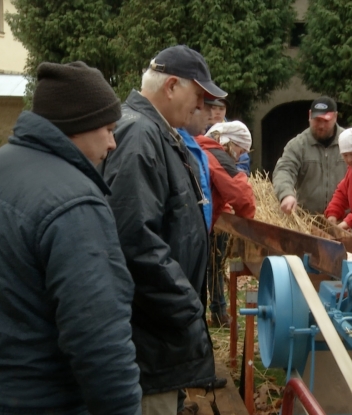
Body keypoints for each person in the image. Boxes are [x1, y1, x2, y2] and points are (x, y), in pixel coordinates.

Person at [0, 62, 142, 415]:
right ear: (77, 126)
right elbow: (99, 338)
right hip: (43, 400)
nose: (112, 143)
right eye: (108, 129)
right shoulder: (75, 203)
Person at [102, 45, 227, 414]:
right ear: (172, 85)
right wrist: (188, 308)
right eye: (199, 95)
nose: (202, 107)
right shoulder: (141, 135)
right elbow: (133, 240)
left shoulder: (159, 132)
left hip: (159, 336)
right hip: (148, 341)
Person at [196, 121, 256, 327]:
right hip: (195, 228)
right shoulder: (216, 153)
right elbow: (242, 194)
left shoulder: (198, 148)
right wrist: (249, 228)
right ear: (230, 143)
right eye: (240, 150)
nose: (239, 156)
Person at [273, 96, 346, 214]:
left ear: (335, 117)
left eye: (326, 121)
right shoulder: (297, 145)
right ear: (310, 115)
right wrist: (286, 194)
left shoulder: (349, 142)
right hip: (307, 220)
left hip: (343, 221)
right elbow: (284, 170)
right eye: (317, 120)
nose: (321, 126)